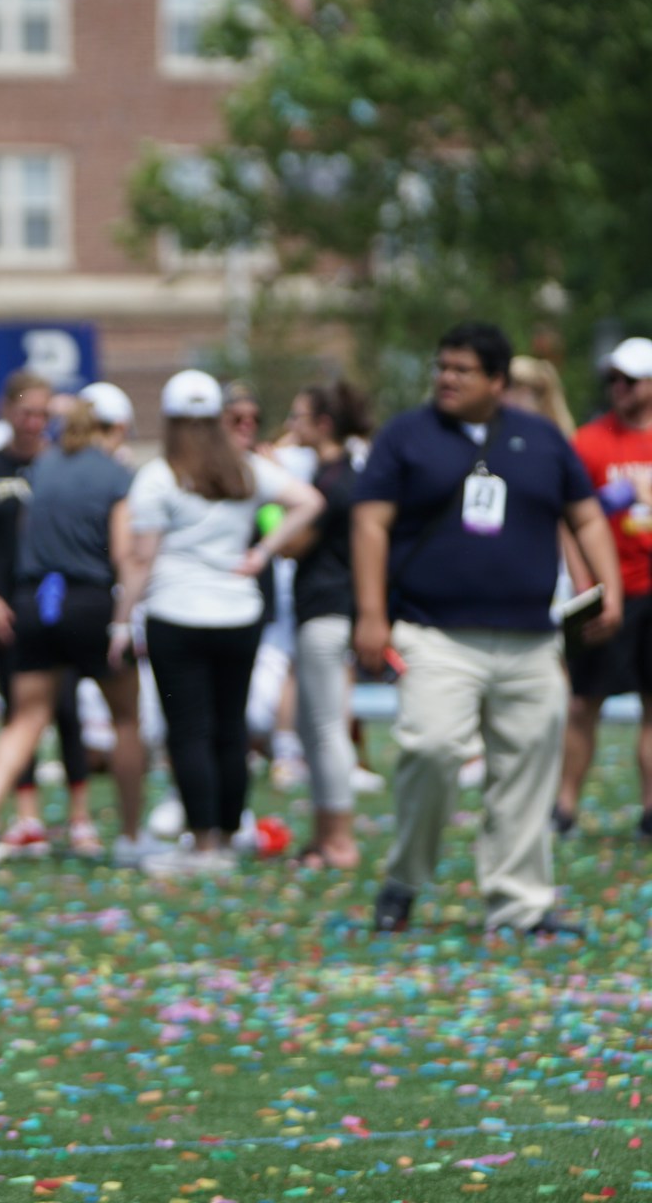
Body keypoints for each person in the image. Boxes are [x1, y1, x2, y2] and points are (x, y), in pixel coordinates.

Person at [354, 322, 621, 936]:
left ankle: (520, 904)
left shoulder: (543, 439)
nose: (445, 378)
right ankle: (405, 877)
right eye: (441, 367)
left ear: (497, 381)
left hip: (531, 638)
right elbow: (370, 525)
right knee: (431, 748)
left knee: (527, 770)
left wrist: (603, 590)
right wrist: (371, 614)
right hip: (434, 632)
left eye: (461, 369)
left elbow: (586, 518)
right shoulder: (406, 437)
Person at [0, 385, 153, 890]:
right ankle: (130, 835)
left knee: (26, 719)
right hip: (89, 600)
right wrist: (125, 617)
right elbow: (123, 552)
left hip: (36, 600)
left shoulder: (42, 468)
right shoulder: (115, 475)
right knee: (127, 718)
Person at [127, 369, 323, 877]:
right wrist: (262, 553)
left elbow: (141, 560)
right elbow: (309, 501)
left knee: (188, 730)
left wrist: (120, 616)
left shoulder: (159, 475)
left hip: (176, 610)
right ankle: (233, 830)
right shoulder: (245, 468)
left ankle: (205, 841)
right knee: (230, 727)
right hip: (238, 612)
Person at [0, 372, 96, 855]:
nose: (35, 423)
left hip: (57, 606)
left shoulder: (63, 466)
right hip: (6, 608)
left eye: (43, 413)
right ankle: (27, 815)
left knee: (68, 707)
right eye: (26, 412)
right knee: (18, 711)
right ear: (7, 411)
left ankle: (80, 817)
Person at [555, 338, 652, 841]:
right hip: (610, 592)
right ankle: (564, 808)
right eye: (612, 379)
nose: (618, 389)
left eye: (629, 380)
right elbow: (568, 520)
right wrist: (584, 580)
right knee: (582, 701)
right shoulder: (589, 443)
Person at [283, 381, 372, 868]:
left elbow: (293, 545)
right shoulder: (338, 473)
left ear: (323, 424)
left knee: (324, 726)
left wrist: (271, 514)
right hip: (328, 609)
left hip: (327, 610)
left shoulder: (333, 481)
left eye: (298, 416)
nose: (290, 425)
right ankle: (324, 837)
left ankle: (338, 840)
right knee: (311, 724)